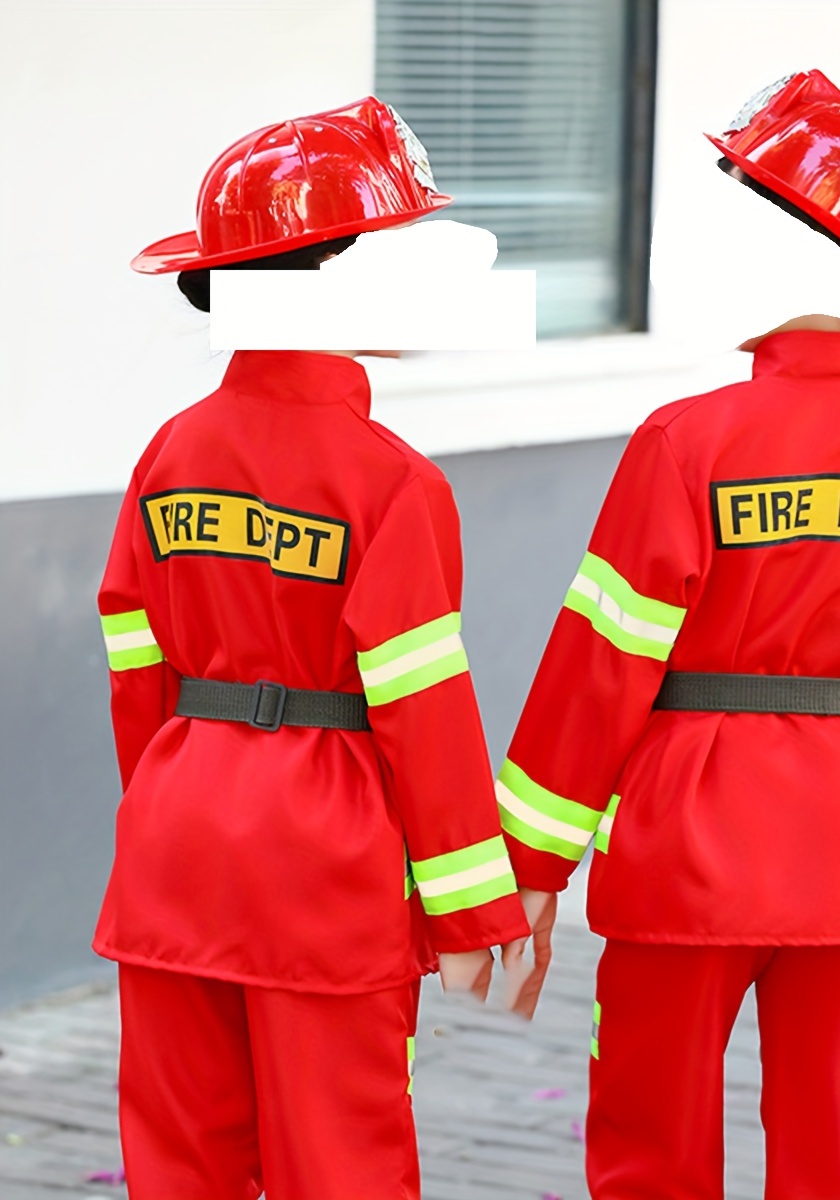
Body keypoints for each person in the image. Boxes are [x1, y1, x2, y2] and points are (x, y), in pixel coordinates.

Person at [497, 71, 840, 1199]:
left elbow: (601, 668)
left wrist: (527, 868)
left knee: (651, 1151)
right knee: (837, 1159)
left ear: (793, 253)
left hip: (690, 843)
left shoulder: (686, 445)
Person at [95, 97, 529, 1200]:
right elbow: (422, 711)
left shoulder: (168, 455)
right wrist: (471, 911)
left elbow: (135, 667)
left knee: (180, 1165)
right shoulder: (392, 484)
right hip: (325, 866)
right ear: (325, 277)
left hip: (176, 847)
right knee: (341, 1166)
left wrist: (171, 809)